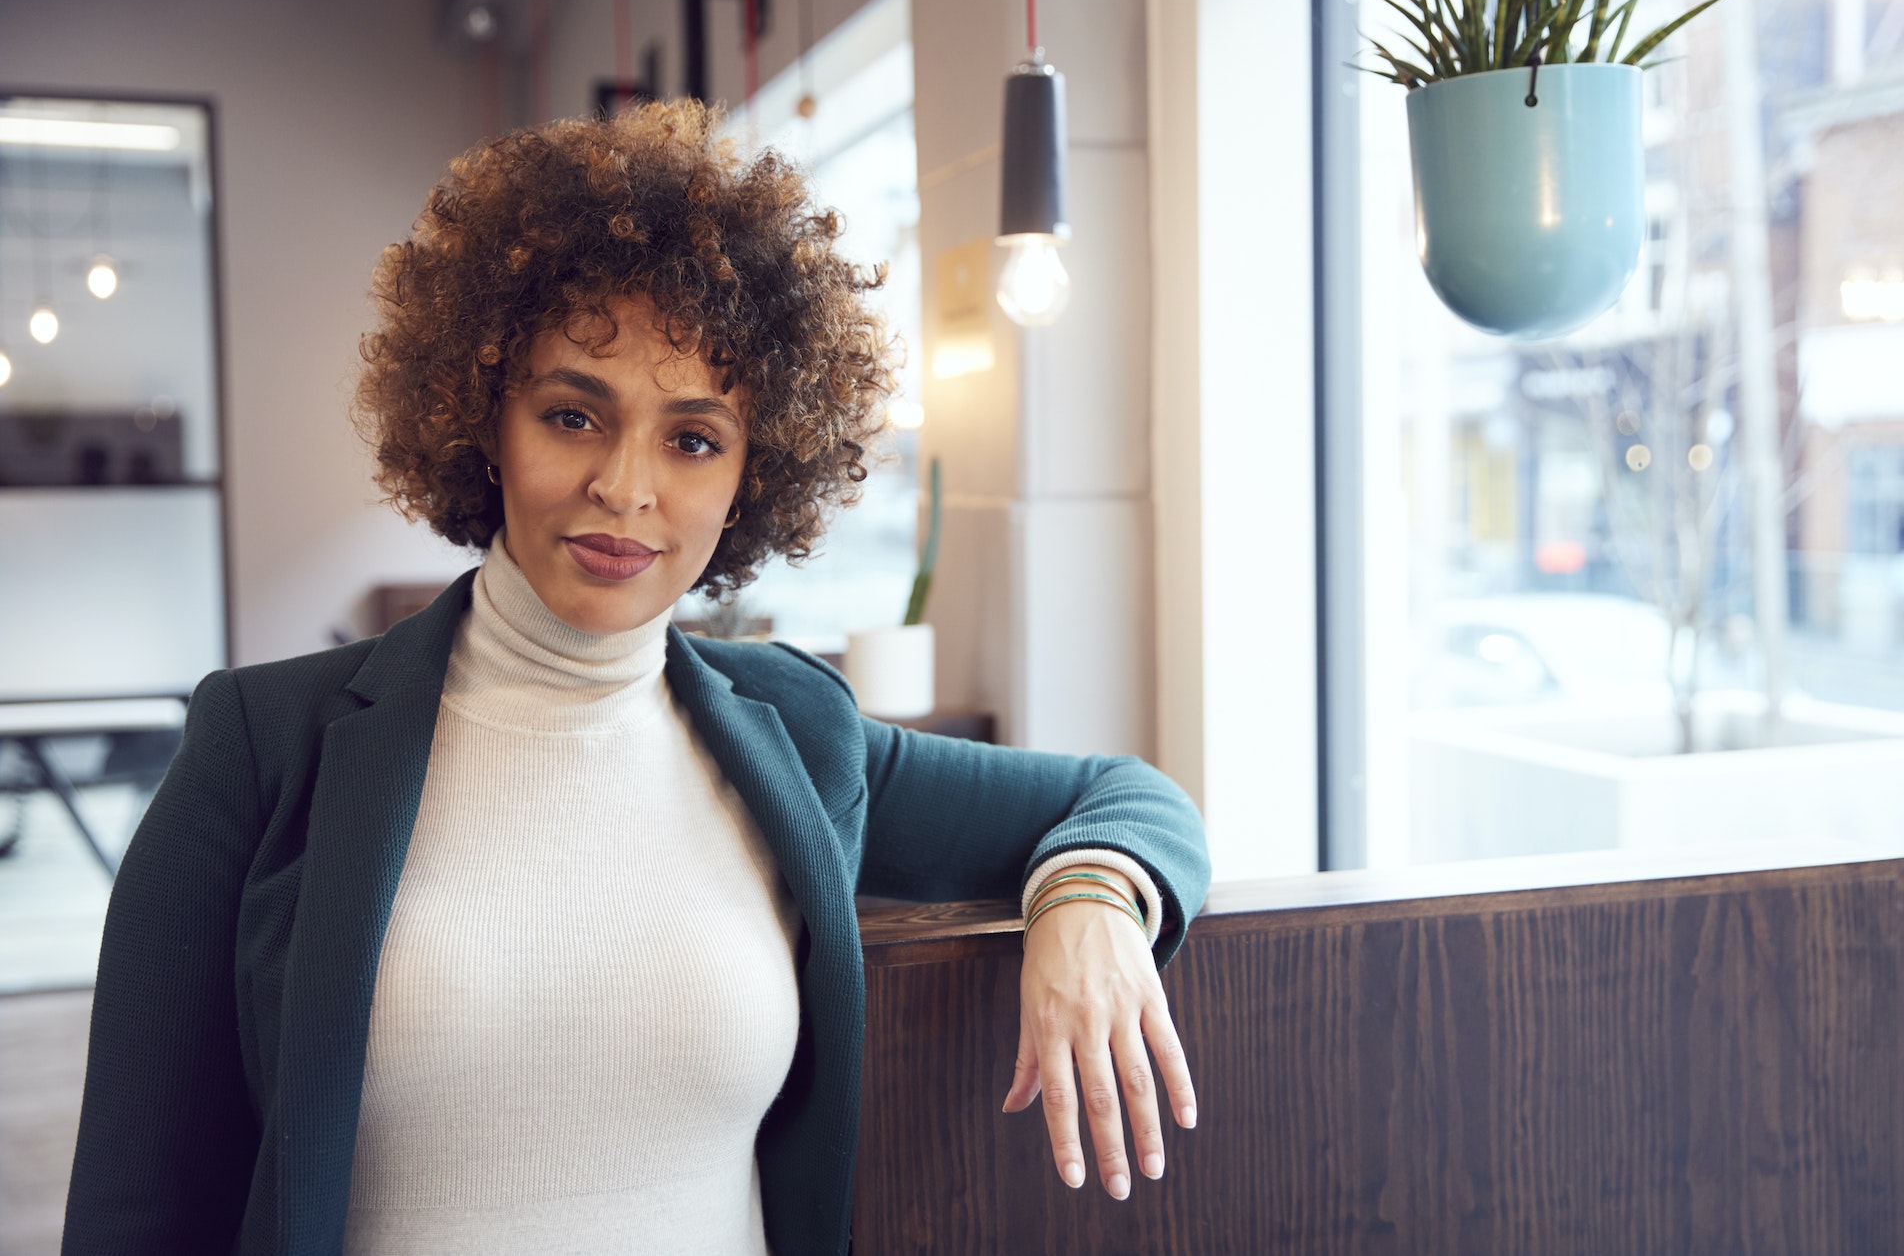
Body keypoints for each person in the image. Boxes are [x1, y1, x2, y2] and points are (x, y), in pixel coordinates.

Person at [61, 100, 1210, 1256]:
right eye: (572, 414)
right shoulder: (265, 746)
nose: (626, 487)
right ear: (484, 420)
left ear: (753, 470)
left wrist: (1089, 898)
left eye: (693, 438)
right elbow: (134, 1209)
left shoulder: (795, 731)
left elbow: (1121, 794)